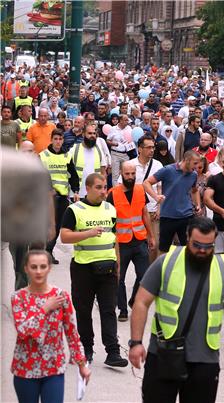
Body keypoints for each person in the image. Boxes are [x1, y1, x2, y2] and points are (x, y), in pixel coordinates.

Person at [128, 217, 224, 403]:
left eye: (208, 246)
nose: (202, 250)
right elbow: (141, 302)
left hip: (204, 360)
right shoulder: (166, 262)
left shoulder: (223, 269)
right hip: (163, 353)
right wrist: (135, 342)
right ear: (187, 237)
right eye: (197, 244)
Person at [58, 172, 127, 367]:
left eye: (104, 187)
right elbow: (64, 236)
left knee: (108, 310)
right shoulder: (74, 209)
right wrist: (88, 233)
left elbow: (115, 239)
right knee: (83, 311)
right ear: (87, 188)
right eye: (98, 187)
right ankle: (86, 349)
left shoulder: (110, 209)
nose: (103, 191)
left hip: (108, 269)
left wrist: (118, 263)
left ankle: (113, 352)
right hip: (83, 269)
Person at [11, 250, 91, 402]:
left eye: (43, 266)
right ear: (26, 268)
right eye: (34, 267)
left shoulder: (61, 296)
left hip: (53, 369)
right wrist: (45, 309)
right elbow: (23, 331)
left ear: (49, 268)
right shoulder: (18, 298)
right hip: (25, 369)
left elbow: (72, 333)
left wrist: (82, 364)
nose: (38, 271)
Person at [108, 161, 155, 322]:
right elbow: (109, 220)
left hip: (140, 239)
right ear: (121, 174)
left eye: (133, 173)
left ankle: (134, 300)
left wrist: (151, 235)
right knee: (118, 277)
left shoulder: (141, 190)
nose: (130, 177)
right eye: (127, 174)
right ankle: (122, 309)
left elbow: (145, 214)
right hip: (121, 242)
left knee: (144, 276)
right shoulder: (113, 194)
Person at [144, 150, 203, 254]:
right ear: (186, 160)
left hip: (187, 216)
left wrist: (198, 204)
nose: (197, 166)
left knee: (189, 248)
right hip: (168, 216)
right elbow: (146, 183)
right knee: (164, 250)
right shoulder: (168, 170)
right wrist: (156, 196)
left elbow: (194, 190)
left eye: (198, 164)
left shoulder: (193, 175)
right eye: (195, 163)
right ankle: (164, 270)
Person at [40, 129, 80, 262]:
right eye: (55, 139)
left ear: (63, 140)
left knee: (57, 226)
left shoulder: (67, 156)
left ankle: (49, 251)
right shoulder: (43, 155)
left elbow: (73, 175)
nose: (58, 142)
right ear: (51, 139)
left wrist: (76, 191)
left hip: (62, 197)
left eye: (60, 139)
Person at [126, 135, 164, 262]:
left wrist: (159, 208)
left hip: (153, 211)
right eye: (148, 147)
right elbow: (122, 188)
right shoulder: (129, 165)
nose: (152, 150)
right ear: (140, 149)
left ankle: (151, 273)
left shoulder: (158, 165)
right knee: (139, 247)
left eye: (153, 147)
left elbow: (159, 188)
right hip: (135, 212)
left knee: (155, 244)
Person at [71, 123, 108, 198]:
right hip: (77, 195)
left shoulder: (99, 150)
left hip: (94, 195)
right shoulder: (74, 149)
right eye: (90, 133)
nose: (92, 136)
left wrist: (103, 191)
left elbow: (103, 173)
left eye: (94, 133)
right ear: (83, 134)